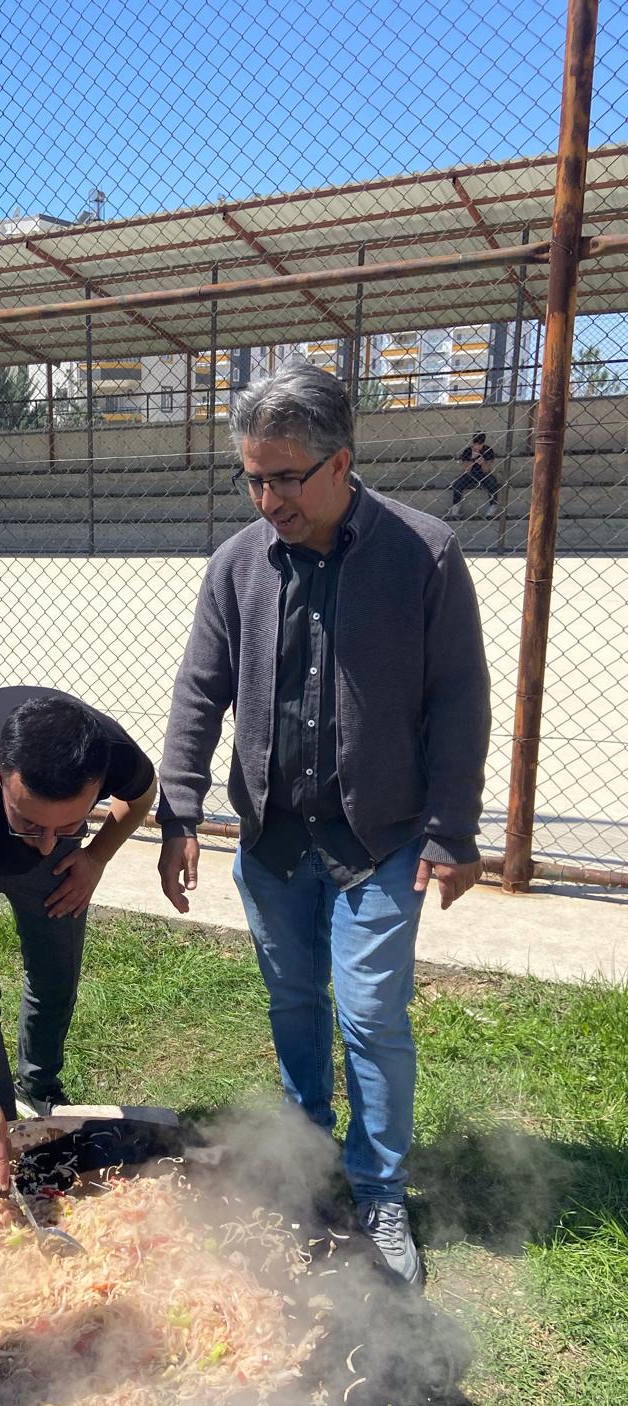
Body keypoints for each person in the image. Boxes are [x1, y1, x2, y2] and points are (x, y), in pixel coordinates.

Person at [157, 363, 490, 1286]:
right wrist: (178, 806)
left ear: (341, 463)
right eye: (252, 478)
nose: (267, 499)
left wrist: (453, 829)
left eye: (285, 477)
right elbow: (201, 689)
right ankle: (307, 1159)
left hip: (378, 842)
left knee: (373, 1016)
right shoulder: (237, 565)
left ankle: (379, 1189)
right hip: (272, 841)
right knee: (295, 1004)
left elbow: (460, 699)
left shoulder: (422, 554)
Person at [0, 689, 156, 1186]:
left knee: (56, 974)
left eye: (68, 822)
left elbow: (142, 793)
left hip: (62, 867)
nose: (43, 845)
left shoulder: (107, 750)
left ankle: (39, 1087)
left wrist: (94, 855)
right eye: (29, 821)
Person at [446, 431, 499, 519]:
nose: (477, 446)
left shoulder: (488, 450)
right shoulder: (467, 451)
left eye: (480, 444)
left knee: (492, 482)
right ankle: (455, 508)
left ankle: (492, 507)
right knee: (457, 483)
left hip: (483, 474)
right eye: (475, 444)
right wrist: (472, 459)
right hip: (470, 474)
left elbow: (487, 470)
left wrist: (482, 463)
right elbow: (467, 469)